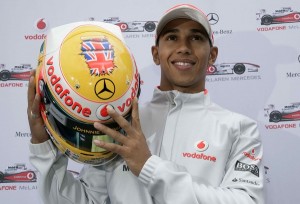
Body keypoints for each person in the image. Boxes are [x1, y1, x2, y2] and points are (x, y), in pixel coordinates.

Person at [28, 4, 265, 204]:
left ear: (212, 54)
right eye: (172, 37)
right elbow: (88, 199)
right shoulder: (120, 120)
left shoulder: (240, 129)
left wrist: (148, 166)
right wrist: (44, 147)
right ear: (155, 53)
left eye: (196, 37)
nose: (184, 47)